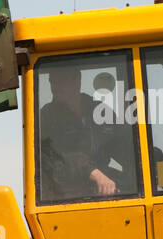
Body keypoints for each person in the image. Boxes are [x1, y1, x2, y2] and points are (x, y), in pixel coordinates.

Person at [38, 65, 121, 200]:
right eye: (52, 81)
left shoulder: (100, 111)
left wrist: (156, 162)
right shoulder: (46, 118)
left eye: (61, 81)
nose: (55, 87)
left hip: (106, 190)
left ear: (77, 80)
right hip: (64, 197)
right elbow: (56, 157)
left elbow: (125, 145)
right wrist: (94, 174)